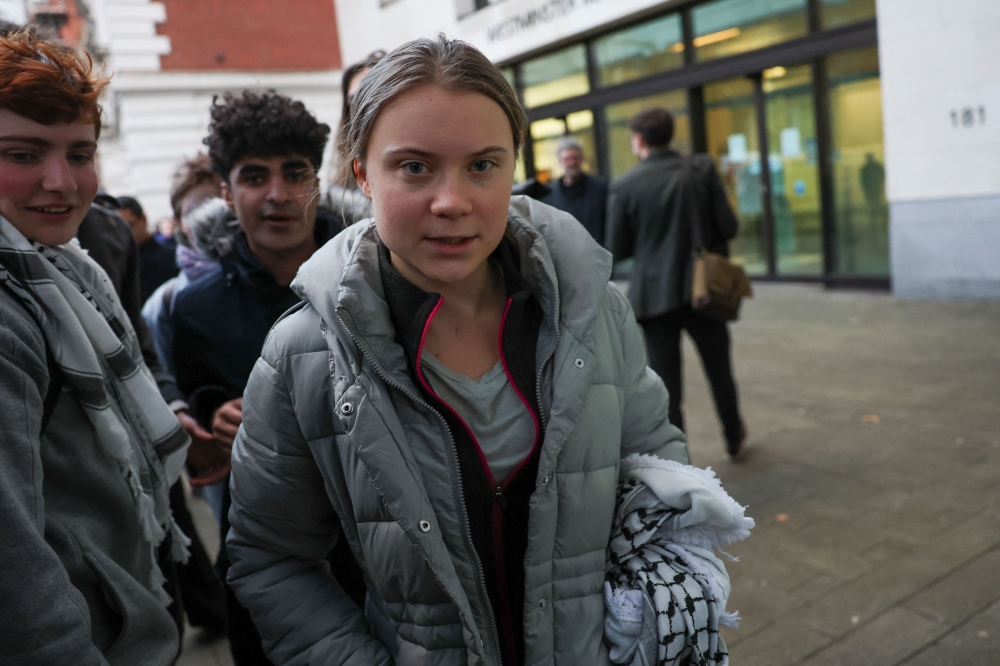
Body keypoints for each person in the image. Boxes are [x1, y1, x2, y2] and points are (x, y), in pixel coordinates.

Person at [226, 35, 689, 666]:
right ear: (362, 172)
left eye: (482, 165)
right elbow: (271, 557)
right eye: (415, 167)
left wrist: (657, 615)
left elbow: (657, 466)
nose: (453, 202)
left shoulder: (592, 309)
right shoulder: (300, 354)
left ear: (513, 165)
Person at [0, 29, 188, 664]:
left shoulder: (69, 264)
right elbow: (11, 561)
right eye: (23, 154)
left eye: (79, 154)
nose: (60, 181)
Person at [156, 89, 351, 665]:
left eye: (295, 173)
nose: (277, 195)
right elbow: (201, 409)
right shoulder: (193, 309)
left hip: (384, 544)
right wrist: (215, 417)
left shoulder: (375, 278)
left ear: (317, 181)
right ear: (225, 190)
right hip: (266, 555)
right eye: (254, 176)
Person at [606, 107, 746, 457]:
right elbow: (728, 226)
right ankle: (733, 436)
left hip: (655, 298)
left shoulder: (625, 185)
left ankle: (678, 461)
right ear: (670, 134)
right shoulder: (700, 169)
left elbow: (616, 248)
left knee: (666, 386)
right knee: (719, 369)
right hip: (706, 292)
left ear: (638, 140)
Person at [540, 135, 608, 245]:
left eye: (575, 158)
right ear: (560, 161)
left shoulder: (600, 189)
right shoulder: (549, 194)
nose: (572, 163)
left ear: (582, 158)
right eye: (567, 159)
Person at [117, 195, 179, 302]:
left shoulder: (171, 256)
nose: (123, 234)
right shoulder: (117, 264)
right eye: (117, 229)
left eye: (129, 226)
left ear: (143, 219)